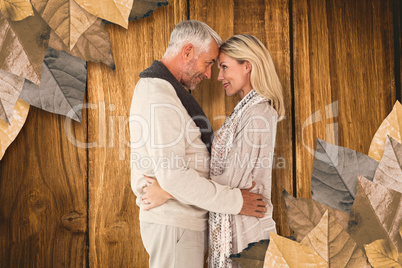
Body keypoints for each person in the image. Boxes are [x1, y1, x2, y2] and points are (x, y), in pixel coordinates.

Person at [129, 21, 267, 268]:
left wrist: (169, 189)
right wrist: (236, 201)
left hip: (180, 224)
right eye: (209, 63)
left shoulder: (167, 92)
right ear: (187, 51)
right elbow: (173, 175)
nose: (208, 74)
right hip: (175, 227)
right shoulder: (159, 96)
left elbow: (175, 175)